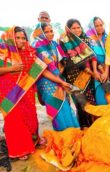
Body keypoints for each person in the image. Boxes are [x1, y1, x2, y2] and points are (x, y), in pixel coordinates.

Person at [0, 26, 47, 160]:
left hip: (26, 90)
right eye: (17, 38)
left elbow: (36, 68)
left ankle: (33, 141)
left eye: (23, 38)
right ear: (10, 39)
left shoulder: (28, 52)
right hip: (8, 92)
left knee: (30, 115)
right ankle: (20, 149)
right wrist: (11, 68)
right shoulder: (3, 52)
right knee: (14, 119)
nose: (21, 41)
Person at [32, 23, 80, 131]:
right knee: (56, 109)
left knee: (65, 107)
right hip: (46, 82)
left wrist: (59, 74)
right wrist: (60, 81)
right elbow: (43, 71)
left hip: (58, 79)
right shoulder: (37, 46)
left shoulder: (54, 44)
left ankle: (72, 134)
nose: (50, 34)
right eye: (47, 32)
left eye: (51, 31)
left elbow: (62, 63)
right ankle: (62, 138)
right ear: (40, 33)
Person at [60, 19, 98, 129]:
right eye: (73, 28)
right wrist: (91, 72)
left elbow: (93, 56)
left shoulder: (86, 39)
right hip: (74, 77)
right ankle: (84, 128)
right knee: (80, 103)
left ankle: (94, 127)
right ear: (68, 29)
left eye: (78, 27)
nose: (77, 30)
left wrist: (94, 71)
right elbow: (73, 60)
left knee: (91, 101)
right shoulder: (65, 41)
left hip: (89, 77)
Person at [86, 16, 110, 105]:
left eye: (101, 25)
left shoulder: (107, 37)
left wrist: (106, 71)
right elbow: (91, 56)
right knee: (100, 95)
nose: (100, 27)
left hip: (108, 69)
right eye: (96, 26)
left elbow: (109, 55)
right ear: (92, 27)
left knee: (109, 94)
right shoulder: (88, 38)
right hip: (95, 70)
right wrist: (96, 71)